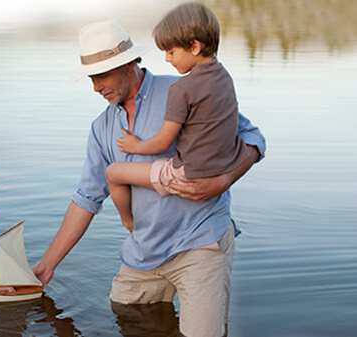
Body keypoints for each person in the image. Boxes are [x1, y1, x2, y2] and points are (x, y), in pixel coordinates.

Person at [30, 16, 266, 337]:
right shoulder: (101, 129)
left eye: (102, 76)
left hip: (200, 242)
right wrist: (47, 265)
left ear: (129, 64)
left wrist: (224, 181)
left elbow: (252, 138)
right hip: (143, 252)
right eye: (91, 78)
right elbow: (86, 199)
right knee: (126, 315)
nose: (96, 87)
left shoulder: (185, 90)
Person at [106, 3, 252, 232]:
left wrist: (136, 145)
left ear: (194, 46)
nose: (166, 59)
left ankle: (130, 224)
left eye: (171, 51)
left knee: (113, 173)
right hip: (222, 166)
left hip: (187, 175)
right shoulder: (225, 77)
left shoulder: (182, 88)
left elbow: (163, 142)